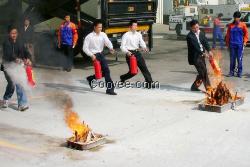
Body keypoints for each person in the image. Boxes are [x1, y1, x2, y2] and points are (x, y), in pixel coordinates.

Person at [83, 19, 117, 95]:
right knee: (105, 71)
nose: (100, 29)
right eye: (99, 27)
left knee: (106, 71)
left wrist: (111, 48)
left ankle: (91, 79)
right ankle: (109, 89)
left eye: (101, 27)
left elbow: (107, 42)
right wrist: (91, 55)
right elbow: (85, 48)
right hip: (94, 55)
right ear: (94, 27)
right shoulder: (89, 36)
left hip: (101, 54)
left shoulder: (103, 34)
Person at [1, 26, 31, 111]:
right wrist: (15, 59)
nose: (14, 35)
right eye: (12, 33)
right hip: (7, 66)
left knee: (19, 83)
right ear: (9, 34)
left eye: (15, 33)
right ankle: (6, 99)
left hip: (17, 66)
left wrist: (28, 58)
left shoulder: (20, 42)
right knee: (11, 84)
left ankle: (21, 104)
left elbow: (25, 52)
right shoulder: (6, 43)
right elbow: (8, 54)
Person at [120, 19, 154, 88]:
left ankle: (149, 82)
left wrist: (144, 47)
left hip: (137, 53)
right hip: (130, 54)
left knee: (144, 68)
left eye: (136, 25)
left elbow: (142, 42)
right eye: (134, 25)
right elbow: (122, 46)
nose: (135, 27)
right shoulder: (126, 35)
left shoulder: (138, 34)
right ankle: (123, 77)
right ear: (130, 26)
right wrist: (127, 52)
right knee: (133, 72)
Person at [186, 20, 213, 91]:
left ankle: (194, 87)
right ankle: (209, 88)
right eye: (194, 28)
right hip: (195, 57)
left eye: (197, 27)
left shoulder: (201, 33)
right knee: (203, 72)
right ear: (191, 28)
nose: (196, 29)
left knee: (202, 72)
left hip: (202, 56)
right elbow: (195, 47)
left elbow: (205, 42)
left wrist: (209, 50)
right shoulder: (189, 36)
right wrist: (203, 53)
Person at [226, 11, 248, 78]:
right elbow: (228, 35)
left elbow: (246, 34)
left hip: (240, 45)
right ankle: (231, 72)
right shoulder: (230, 26)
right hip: (232, 45)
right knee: (232, 59)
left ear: (240, 18)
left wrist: (244, 42)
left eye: (238, 18)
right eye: (235, 18)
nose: (236, 19)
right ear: (234, 18)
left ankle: (239, 72)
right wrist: (227, 44)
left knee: (239, 59)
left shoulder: (243, 25)